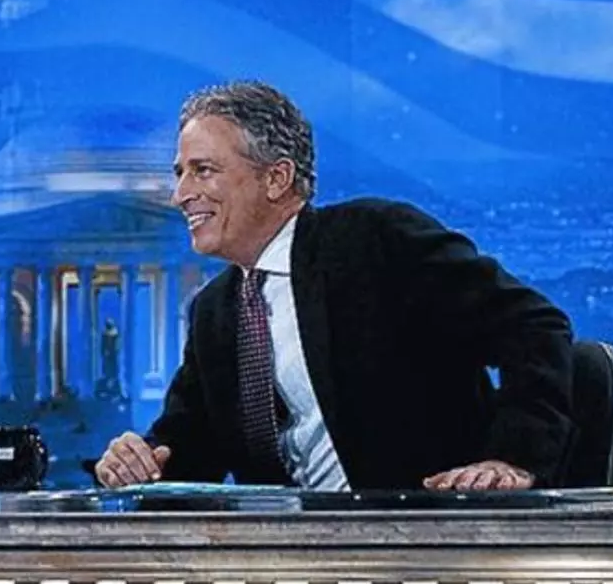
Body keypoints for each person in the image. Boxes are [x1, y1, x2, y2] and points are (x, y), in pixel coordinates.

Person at [95, 81, 574, 492]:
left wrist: (512, 458)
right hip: (291, 549)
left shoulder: (376, 241)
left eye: (203, 171)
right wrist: (141, 462)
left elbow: (534, 327)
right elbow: (190, 449)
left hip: (427, 534)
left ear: (276, 178)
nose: (180, 195)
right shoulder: (215, 310)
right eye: (179, 174)